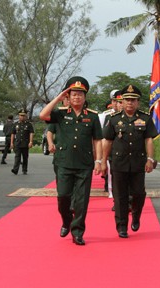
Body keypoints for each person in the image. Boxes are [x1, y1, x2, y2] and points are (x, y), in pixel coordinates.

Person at [39, 76, 103, 246]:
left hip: (84, 164)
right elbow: (42, 115)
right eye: (73, 94)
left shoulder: (93, 116)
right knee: (63, 198)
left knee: (82, 201)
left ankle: (78, 232)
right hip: (64, 162)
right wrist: (58, 99)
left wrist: (99, 161)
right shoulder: (60, 114)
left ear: (85, 97)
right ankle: (66, 221)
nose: (77, 97)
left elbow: (97, 140)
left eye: (80, 95)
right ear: (69, 96)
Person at [102, 84, 158, 238]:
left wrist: (150, 159)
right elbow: (107, 141)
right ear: (122, 101)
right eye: (127, 100)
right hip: (119, 163)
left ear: (138, 102)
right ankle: (121, 226)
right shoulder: (113, 119)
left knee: (139, 194)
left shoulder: (145, 118)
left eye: (133, 100)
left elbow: (149, 140)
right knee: (120, 196)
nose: (130, 103)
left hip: (138, 162)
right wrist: (102, 161)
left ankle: (136, 216)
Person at [10, 109, 34, 175]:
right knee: (17, 156)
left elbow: (31, 133)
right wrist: (11, 143)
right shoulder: (15, 124)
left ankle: (24, 169)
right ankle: (15, 169)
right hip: (17, 143)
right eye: (21, 115)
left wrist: (31, 142)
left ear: (26, 116)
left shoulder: (29, 124)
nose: (22, 117)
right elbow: (13, 134)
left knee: (25, 157)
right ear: (19, 116)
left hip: (25, 143)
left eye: (24, 116)